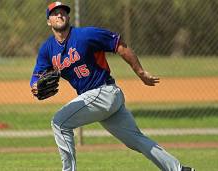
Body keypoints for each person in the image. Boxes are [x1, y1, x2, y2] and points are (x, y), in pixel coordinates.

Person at [30, 2, 195, 171]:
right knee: (136, 140)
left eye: (63, 12)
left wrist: (140, 72)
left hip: (104, 92)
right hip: (102, 100)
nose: (59, 15)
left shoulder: (86, 35)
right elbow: (37, 75)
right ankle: (179, 169)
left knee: (59, 123)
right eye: (55, 13)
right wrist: (34, 86)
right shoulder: (47, 49)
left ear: (68, 16)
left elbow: (119, 45)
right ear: (49, 21)